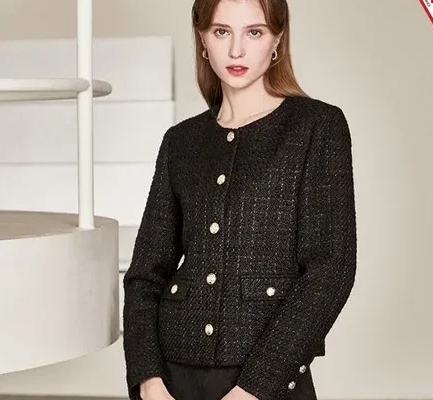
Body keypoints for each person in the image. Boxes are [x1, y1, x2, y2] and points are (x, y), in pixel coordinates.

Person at [122, 0, 357, 399]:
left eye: (254, 32)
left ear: (277, 40)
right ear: (202, 40)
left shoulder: (317, 127)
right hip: (173, 380)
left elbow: (330, 270)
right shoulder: (181, 142)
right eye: (221, 32)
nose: (236, 50)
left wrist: (255, 387)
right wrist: (148, 380)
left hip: (268, 380)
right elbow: (145, 274)